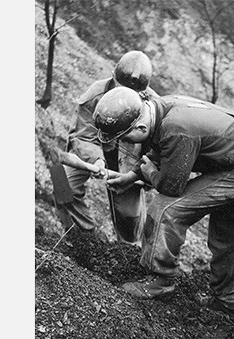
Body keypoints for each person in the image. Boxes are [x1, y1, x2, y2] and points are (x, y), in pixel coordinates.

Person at [92, 87, 234, 319]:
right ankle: (226, 303)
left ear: (140, 128)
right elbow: (164, 149)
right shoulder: (157, 109)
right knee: (227, 232)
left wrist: (150, 174)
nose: (125, 143)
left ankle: (161, 280)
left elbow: (171, 186)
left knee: (166, 208)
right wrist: (131, 176)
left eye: (125, 138)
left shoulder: (176, 128)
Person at [52, 50, 158, 242]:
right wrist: (97, 160)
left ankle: (127, 252)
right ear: (113, 77)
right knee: (62, 183)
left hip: (129, 161)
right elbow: (83, 137)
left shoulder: (154, 106)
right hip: (93, 152)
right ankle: (86, 241)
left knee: (128, 221)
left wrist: (138, 175)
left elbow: (156, 150)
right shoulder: (95, 94)